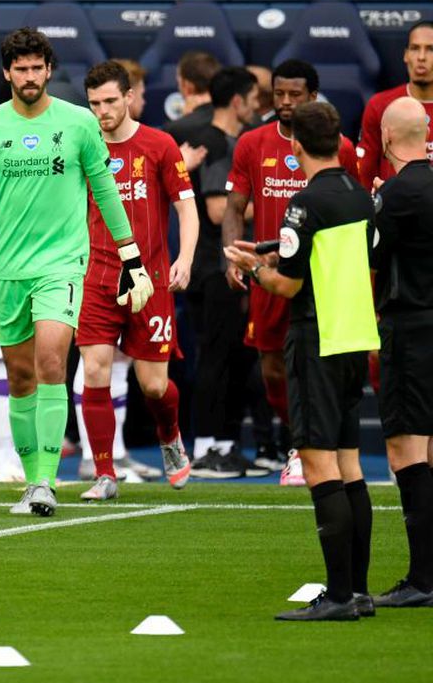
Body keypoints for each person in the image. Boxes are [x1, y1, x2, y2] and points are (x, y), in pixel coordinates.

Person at [0, 29, 151, 517]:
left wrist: (132, 259)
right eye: (19, 69)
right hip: (8, 267)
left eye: (36, 68)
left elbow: (106, 192)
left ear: (47, 70)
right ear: (7, 74)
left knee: (50, 362)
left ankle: (45, 482)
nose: (28, 76)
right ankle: (29, 478)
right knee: (19, 377)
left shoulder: (80, 123)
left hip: (62, 264)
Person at [224, 101, 377, 622]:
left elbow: (288, 285)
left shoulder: (303, 204)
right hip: (356, 334)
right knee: (350, 464)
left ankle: (335, 597)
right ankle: (357, 590)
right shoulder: (359, 195)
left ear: (295, 146)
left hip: (317, 336)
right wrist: (272, 254)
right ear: (338, 143)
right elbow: (326, 256)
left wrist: (252, 269)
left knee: (318, 463)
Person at [223, 60, 360, 487]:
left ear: (312, 97)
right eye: (278, 94)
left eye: (294, 95)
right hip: (269, 276)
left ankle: (310, 447)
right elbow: (234, 206)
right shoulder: (251, 143)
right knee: (273, 370)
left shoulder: (341, 148)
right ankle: (296, 439)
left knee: (325, 365)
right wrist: (232, 255)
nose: (284, 102)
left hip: (322, 278)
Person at [74, 61, 197, 501]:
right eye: (94, 103)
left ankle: (170, 437)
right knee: (94, 370)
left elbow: (185, 206)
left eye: (110, 100)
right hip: (95, 277)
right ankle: (105, 473)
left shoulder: (159, 144)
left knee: (153, 386)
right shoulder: (81, 146)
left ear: (129, 97)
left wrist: (185, 257)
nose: (102, 110)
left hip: (152, 278)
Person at [183, 68, 266, 478]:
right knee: (216, 357)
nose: (257, 106)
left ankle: (225, 445)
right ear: (237, 101)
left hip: (223, 266)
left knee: (233, 356)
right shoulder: (217, 143)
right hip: (215, 268)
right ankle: (206, 448)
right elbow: (219, 210)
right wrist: (272, 203)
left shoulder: (230, 142)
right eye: (253, 98)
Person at [368, 95, 433, 607]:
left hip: (409, 329)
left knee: (407, 450)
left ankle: (422, 578)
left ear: (387, 137)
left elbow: (372, 259)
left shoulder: (394, 194)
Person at [356, 21, 433, 189]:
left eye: (430, 49)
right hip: (391, 210)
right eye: (414, 48)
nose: (421, 57)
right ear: (406, 55)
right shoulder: (380, 105)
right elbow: (366, 169)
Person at [163, 50, 220, 146]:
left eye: (179, 82)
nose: (179, 88)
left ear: (188, 86)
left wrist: (184, 119)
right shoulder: (236, 121)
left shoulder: (175, 130)